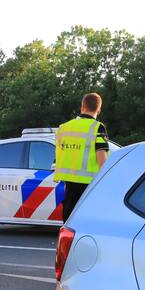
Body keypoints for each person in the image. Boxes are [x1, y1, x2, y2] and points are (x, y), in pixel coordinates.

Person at [54, 93, 109, 221]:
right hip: (89, 188)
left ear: (82, 107)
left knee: (69, 228)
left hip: (68, 188)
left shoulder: (63, 128)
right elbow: (103, 162)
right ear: (99, 110)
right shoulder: (97, 128)